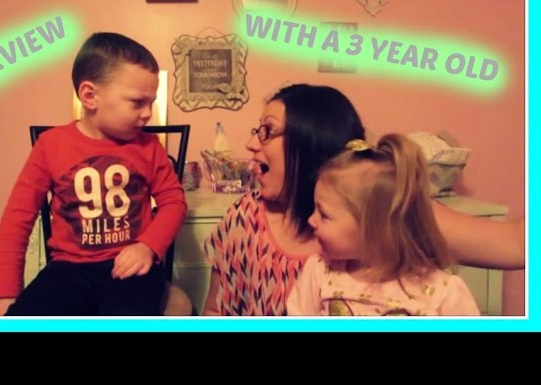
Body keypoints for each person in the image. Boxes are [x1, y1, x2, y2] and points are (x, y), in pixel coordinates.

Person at [202, 83, 524, 316]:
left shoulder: (392, 212)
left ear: (310, 142)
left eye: (266, 131)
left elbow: (518, 244)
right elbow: (216, 310)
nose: (250, 144)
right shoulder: (244, 216)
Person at [0, 32, 187, 316]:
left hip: (130, 267)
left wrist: (147, 246)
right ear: (90, 96)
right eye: (137, 102)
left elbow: (174, 202)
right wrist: (1, 292)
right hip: (69, 270)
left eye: (151, 103)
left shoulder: (149, 147)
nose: (147, 113)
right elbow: (17, 219)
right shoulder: (50, 145)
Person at [286, 135, 480, 316]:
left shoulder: (442, 293)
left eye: (324, 215)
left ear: (375, 229)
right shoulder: (319, 271)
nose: (311, 220)